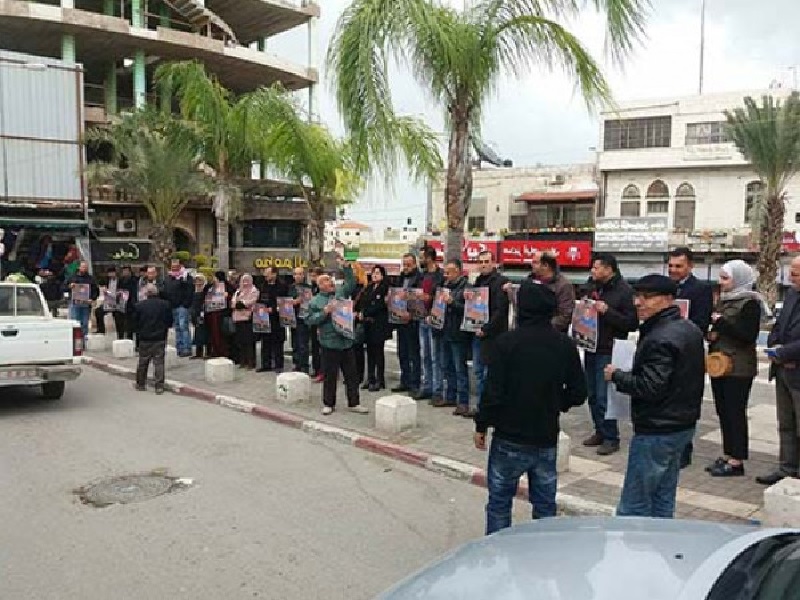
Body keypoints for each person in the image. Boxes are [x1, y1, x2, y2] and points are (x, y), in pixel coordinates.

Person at [475, 281, 587, 534]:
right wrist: (556, 402)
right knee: (545, 506)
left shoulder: (505, 343)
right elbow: (579, 393)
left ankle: (498, 549)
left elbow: (492, 393)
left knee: (499, 504)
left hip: (508, 437)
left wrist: (482, 425)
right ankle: (542, 551)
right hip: (545, 436)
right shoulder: (564, 345)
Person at [604, 275, 705, 518]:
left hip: (657, 428)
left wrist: (617, 376)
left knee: (635, 503)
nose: (638, 303)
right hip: (681, 425)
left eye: (647, 297)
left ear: (668, 299)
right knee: (663, 497)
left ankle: (632, 541)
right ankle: (660, 538)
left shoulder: (661, 337)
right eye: (637, 296)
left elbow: (650, 387)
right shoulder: (688, 329)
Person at [706, 260, 764, 477]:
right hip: (720, 364)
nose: (721, 282)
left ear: (739, 278)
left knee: (734, 412)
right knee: (723, 411)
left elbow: (748, 335)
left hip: (738, 367)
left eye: (725, 278)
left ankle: (737, 460)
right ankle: (728, 453)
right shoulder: (725, 299)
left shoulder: (750, 303)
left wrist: (722, 323)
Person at [580, 253, 638, 456]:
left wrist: (607, 311)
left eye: (596, 268)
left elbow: (631, 323)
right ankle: (600, 430)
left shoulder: (625, 291)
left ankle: (611, 437)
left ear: (608, 268)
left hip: (610, 349)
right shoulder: (594, 286)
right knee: (592, 394)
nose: (593, 271)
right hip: (590, 345)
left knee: (604, 397)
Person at [667, 246, 714, 469]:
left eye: (679, 266)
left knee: (684, 401)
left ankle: (684, 450)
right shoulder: (666, 287)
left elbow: (702, 323)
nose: (673, 270)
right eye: (671, 266)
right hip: (665, 351)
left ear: (690, 266)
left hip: (688, 352)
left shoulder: (701, 289)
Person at [305, 259, 369, 416]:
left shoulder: (340, 293)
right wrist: (324, 312)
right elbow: (309, 319)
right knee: (330, 376)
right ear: (320, 285)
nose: (331, 282)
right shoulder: (315, 301)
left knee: (351, 375)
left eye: (330, 280)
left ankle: (354, 402)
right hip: (329, 342)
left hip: (345, 340)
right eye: (326, 281)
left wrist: (346, 267)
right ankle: (328, 403)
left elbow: (351, 283)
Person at [760, 255, 800, 486]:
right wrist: (774, 345)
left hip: (797, 369)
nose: (791, 278)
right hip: (783, 370)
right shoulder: (792, 294)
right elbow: (779, 325)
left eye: (795, 274)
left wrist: (785, 353)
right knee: (786, 423)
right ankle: (787, 467)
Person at [433, 259, 472, 415]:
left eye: (448, 272)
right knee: (447, 366)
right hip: (445, 331)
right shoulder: (445, 286)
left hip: (458, 333)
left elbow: (468, 310)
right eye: (445, 272)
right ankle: (450, 396)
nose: (446, 275)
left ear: (457, 272)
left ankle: (463, 401)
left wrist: (452, 302)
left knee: (459, 368)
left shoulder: (466, 288)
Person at [472, 250, 509, 405]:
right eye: (481, 262)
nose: (483, 265)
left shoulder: (501, 282)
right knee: (478, 371)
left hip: (494, 336)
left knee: (490, 374)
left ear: (493, 263)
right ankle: (481, 405)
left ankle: (488, 407)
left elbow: (500, 311)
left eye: (486, 262)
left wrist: (486, 329)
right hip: (477, 333)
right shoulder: (477, 282)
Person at [415, 246, 445, 401]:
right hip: (422, 317)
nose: (420, 260)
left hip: (434, 319)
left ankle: (437, 390)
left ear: (429, 258)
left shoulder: (440, 275)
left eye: (422, 257)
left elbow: (441, 296)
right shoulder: (422, 275)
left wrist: (430, 299)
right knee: (424, 355)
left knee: (435, 357)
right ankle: (426, 386)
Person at [133, 283, 173, 395]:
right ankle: (159, 386)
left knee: (143, 361)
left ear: (146, 293)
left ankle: (141, 384)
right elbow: (169, 321)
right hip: (160, 337)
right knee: (159, 362)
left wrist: (139, 332)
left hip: (145, 337)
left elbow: (135, 322)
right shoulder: (165, 305)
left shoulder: (139, 306)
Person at [392, 253, 422, 394]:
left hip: (413, 320)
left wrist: (411, 313)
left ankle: (415, 383)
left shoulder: (419, 278)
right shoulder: (400, 278)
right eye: (404, 264)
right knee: (402, 352)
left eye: (408, 265)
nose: (406, 267)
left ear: (415, 264)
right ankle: (405, 380)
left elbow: (419, 298)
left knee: (413, 353)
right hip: (400, 320)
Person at [358, 265, 390, 391]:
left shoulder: (385, 288)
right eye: (373, 273)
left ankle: (379, 379)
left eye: (377, 273)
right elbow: (364, 302)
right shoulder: (369, 287)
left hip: (379, 324)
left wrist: (366, 312)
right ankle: (370, 377)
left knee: (378, 352)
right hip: (368, 324)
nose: (375, 275)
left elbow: (380, 305)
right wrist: (362, 312)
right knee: (370, 352)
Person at [256, 266, 289, 372]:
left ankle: (279, 365)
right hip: (264, 318)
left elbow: (285, 302)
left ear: (274, 274)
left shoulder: (282, 286)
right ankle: (266, 364)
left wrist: (273, 309)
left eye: (268, 273)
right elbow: (260, 300)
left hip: (277, 318)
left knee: (277, 342)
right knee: (265, 342)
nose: (265, 275)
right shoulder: (262, 286)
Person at [162, 258, 194, 358]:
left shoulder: (186, 277)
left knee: (183, 327)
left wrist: (185, 304)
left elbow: (190, 291)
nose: (174, 268)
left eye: (176, 266)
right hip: (172, 306)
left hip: (182, 306)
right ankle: (179, 348)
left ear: (180, 266)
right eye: (173, 267)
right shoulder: (168, 277)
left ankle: (186, 348)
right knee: (177, 328)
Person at [537, 253, 576, 333]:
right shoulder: (533, 281)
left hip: (554, 334)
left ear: (545, 266)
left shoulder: (564, 286)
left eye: (536, 263)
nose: (532, 265)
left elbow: (565, 316)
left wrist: (542, 326)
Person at [63, 260, 99, 338]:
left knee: (85, 323)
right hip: (74, 303)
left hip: (86, 304)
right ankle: (74, 338)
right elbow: (63, 288)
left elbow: (96, 291)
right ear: (79, 267)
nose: (84, 269)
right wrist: (69, 286)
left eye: (86, 267)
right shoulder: (72, 277)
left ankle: (84, 339)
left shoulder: (90, 279)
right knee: (75, 322)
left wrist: (92, 299)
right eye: (83, 267)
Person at [231, 274, 259, 369]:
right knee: (240, 341)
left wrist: (242, 303)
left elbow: (252, 301)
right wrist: (239, 304)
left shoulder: (254, 290)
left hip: (248, 318)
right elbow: (233, 302)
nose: (245, 283)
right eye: (243, 281)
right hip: (238, 318)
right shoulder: (238, 291)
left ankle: (251, 362)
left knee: (249, 341)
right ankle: (243, 361)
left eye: (247, 280)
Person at [204, 271, 233, 359]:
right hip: (211, 313)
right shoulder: (210, 287)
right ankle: (215, 350)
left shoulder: (227, 287)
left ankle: (223, 351)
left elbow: (232, 296)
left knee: (222, 333)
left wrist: (227, 296)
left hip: (222, 313)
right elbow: (205, 295)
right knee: (213, 333)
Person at [289, 266, 312, 373]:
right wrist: (292, 302)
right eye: (296, 274)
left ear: (303, 275)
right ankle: (296, 363)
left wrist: (303, 300)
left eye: (300, 274)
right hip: (292, 317)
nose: (297, 276)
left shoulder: (308, 288)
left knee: (303, 343)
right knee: (294, 343)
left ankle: (304, 365)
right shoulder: (290, 287)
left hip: (304, 318)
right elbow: (285, 301)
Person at [95, 266, 127, 339]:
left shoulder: (121, 281)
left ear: (115, 273)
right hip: (109, 302)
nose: (111, 275)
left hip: (118, 303)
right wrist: (105, 291)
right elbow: (100, 284)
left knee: (118, 317)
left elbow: (125, 293)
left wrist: (119, 293)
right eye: (109, 273)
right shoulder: (106, 280)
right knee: (98, 311)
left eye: (112, 273)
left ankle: (120, 336)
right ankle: (101, 330)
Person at [309, 267, 324, 382]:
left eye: (314, 276)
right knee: (314, 347)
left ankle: (323, 371)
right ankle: (316, 369)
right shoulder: (313, 288)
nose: (312, 278)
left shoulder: (323, 291)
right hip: (313, 320)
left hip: (321, 322)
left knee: (322, 349)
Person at [190, 274, 210, 359]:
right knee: (197, 333)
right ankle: (199, 352)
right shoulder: (194, 291)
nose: (198, 283)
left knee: (206, 333)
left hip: (204, 313)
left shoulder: (206, 290)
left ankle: (208, 352)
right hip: (195, 313)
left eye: (200, 281)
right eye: (196, 281)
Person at [118, 265, 138, 341]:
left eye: (126, 271)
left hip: (132, 304)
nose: (125, 273)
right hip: (123, 304)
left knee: (132, 324)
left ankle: (132, 339)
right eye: (124, 271)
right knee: (124, 323)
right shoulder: (121, 280)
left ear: (130, 272)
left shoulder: (134, 280)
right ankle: (124, 338)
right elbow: (119, 290)